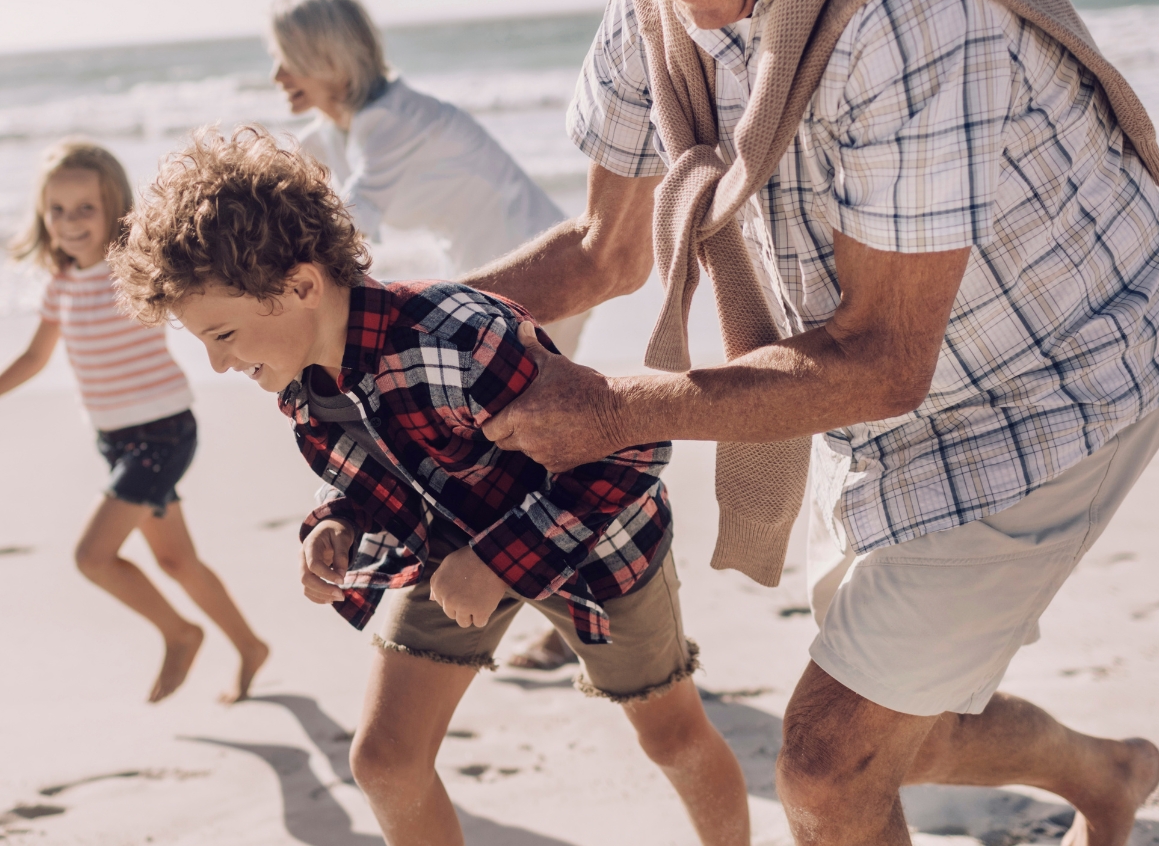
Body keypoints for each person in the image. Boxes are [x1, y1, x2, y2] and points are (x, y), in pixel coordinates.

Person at [454, 0, 1159, 846]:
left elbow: (884, 360)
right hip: (875, 383)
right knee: (894, 719)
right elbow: (604, 251)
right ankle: (1108, 775)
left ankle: (1096, 775)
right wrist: (378, 340)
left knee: (829, 762)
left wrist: (608, 410)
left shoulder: (912, 10)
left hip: (1062, 379)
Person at [109, 127, 751, 846]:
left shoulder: (458, 339)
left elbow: (628, 449)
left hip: (598, 549)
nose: (219, 364)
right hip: (449, 552)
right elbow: (386, 474)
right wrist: (338, 526)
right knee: (384, 761)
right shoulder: (301, 382)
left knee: (672, 737)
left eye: (222, 335)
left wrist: (496, 563)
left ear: (300, 287)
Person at [272, 0, 584, 670]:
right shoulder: (338, 132)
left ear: (329, 58)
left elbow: (349, 229)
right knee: (505, 454)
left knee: (531, 451)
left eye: (288, 60)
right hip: (483, 274)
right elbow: (311, 213)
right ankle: (543, 614)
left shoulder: (389, 119)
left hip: (534, 264)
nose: (277, 77)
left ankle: (569, 620)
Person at [0, 139, 268, 704]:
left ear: (113, 207)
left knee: (92, 557)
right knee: (176, 560)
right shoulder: (60, 285)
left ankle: (180, 634)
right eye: (57, 210)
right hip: (114, 438)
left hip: (162, 431)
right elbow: (33, 358)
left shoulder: (134, 269)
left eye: (85, 209)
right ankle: (250, 645)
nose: (69, 223)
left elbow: (199, 293)